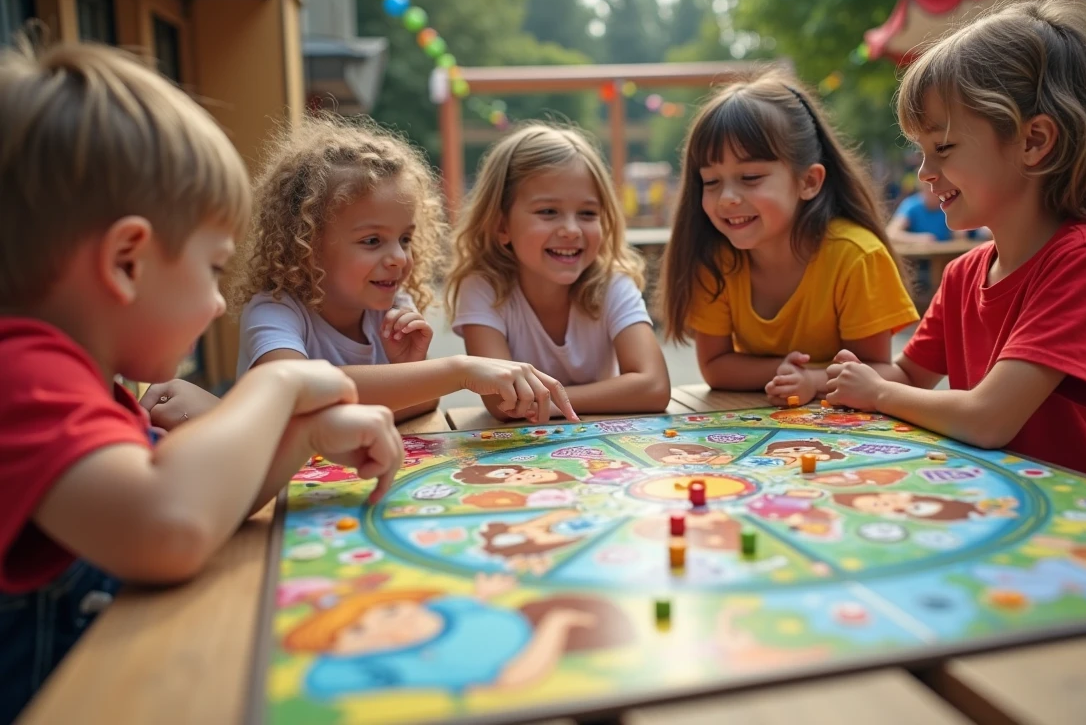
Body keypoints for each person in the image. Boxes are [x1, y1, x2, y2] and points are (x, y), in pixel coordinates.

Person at [0, 39, 405, 722]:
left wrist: (303, 436)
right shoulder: (22, 375)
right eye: (214, 268)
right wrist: (278, 390)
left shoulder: (88, 385)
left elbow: (207, 500)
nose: (221, 302)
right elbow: (168, 524)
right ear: (128, 260)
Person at [825, 0, 1086, 505]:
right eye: (921, 151)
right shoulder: (963, 274)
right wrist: (836, 377)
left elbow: (989, 419)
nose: (925, 172)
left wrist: (879, 393)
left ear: (1034, 141)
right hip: (1019, 508)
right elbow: (909, 376)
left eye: (944, 148)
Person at [232, 114, 578, 424]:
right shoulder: (274, 310)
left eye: (405, 239)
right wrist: (457, 369)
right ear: (306, 245)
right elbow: (293, 390)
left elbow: (424, 404)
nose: (398, 257)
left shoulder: (392, 307)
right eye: (372, 241)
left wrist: (406, 369)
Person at [657, 71, 918, 406]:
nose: (726, 199)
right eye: (710, 182)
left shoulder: (856, 257)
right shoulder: (715, 261)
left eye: (750, 177)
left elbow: (881, 371)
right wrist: (782, 372)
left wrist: (813, 380)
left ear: (808, 181)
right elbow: (715, 368)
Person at [445, 123, 670, 419]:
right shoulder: (483, 287)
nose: (571, 230)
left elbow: (654, 386)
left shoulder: (613, 283)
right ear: (501, 226)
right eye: (548, 212)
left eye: (588, 213)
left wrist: (543, 401)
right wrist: (612, 394)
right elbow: (500, 401)